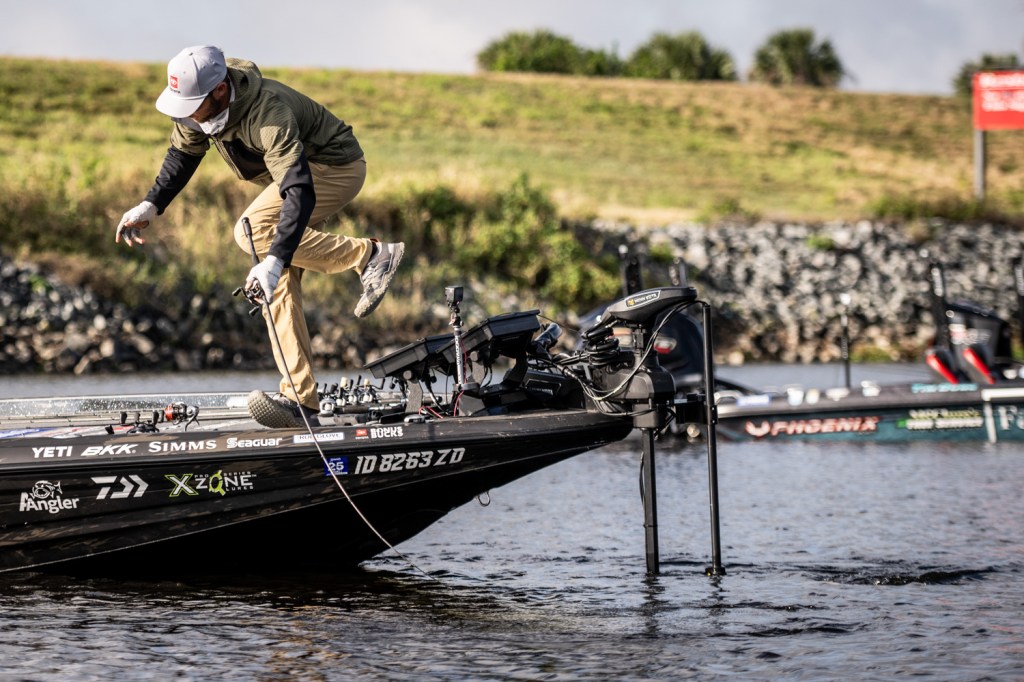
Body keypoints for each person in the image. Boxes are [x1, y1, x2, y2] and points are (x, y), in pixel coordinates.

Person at [115, 45, 403, 428]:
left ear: (220, 90)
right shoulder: (195, 110)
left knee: (252, 231)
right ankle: (301, 401)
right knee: (275, 281)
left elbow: (298, 189)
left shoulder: (268, 112)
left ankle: (369, 256)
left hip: (334, 167)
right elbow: (182, 154)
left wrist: (274, 257)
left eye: (192, 106)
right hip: (293, 180)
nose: (186, 115)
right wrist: (151, 204)